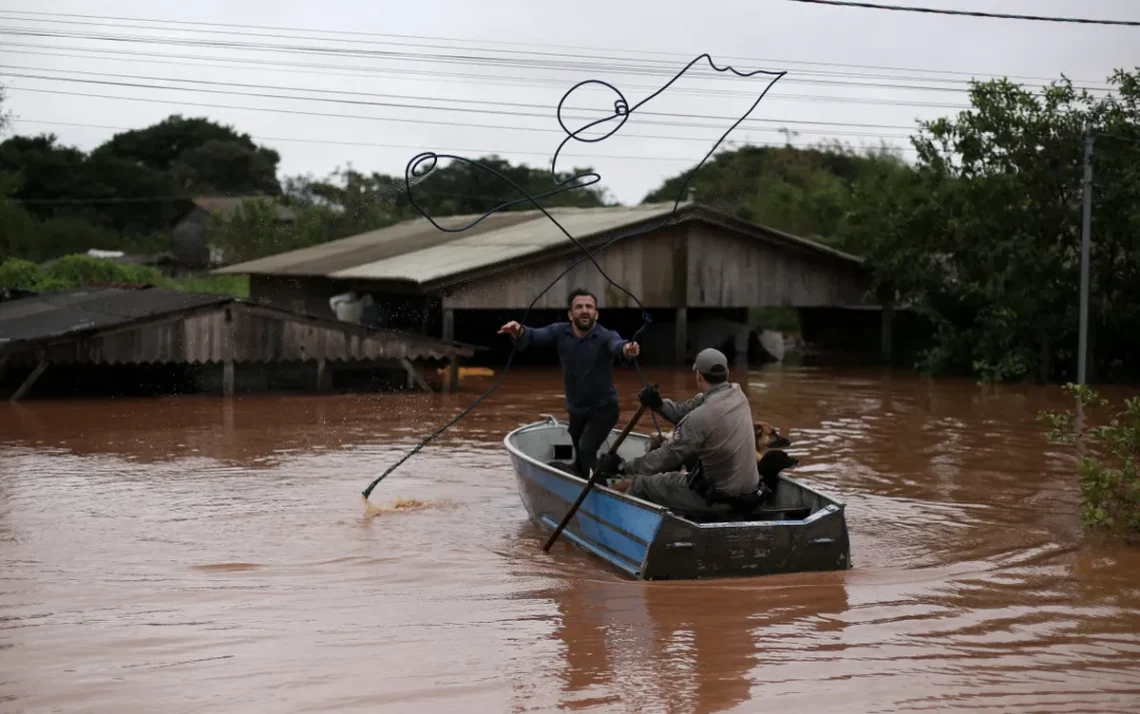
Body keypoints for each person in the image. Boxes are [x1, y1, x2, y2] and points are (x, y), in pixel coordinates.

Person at [597, 348, 761, 517]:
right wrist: (659, 404)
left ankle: (621, 525)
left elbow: (666, 456)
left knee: (640, 485)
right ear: (726, 373)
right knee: (677, 474)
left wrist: (623, 467)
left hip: (719, 499)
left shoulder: (700, 417)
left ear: (698, 375)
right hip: (750, 493)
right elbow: (685, 411)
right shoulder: (738, 395)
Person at [498, 288, 641, 477]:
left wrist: (627, 349)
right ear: (570, 314)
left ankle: (597, 490)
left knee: (586, 448)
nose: (585, 310)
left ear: (596, 314)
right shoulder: (560, 332)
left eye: (589, 307)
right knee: (580, 457)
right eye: (579, 307)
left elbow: (618, 346)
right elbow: (533, 335)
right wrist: (519, 331)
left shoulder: (606, 336)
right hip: (577, 410)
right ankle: (582, 477)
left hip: (604, 409)